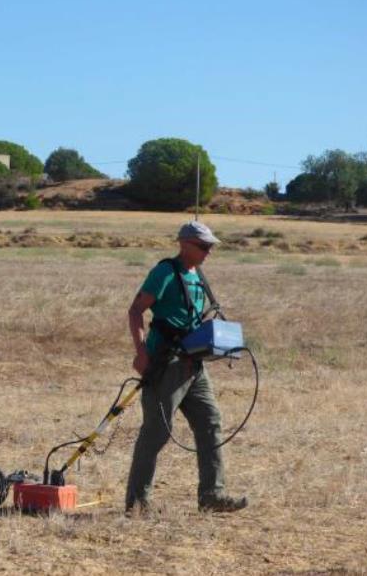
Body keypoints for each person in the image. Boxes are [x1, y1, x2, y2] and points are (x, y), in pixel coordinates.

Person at [125, 220, 247, 515]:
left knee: (210, 422)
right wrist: (141, 352)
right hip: (166, 364)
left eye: (211, 247)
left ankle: (212, 495)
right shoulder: (165, 272)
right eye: (203, 246)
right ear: (184, 244)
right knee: (156, 433)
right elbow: (136, 310)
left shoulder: (199, 275)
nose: (209, 252)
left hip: (195, 365)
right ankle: (137, 504)